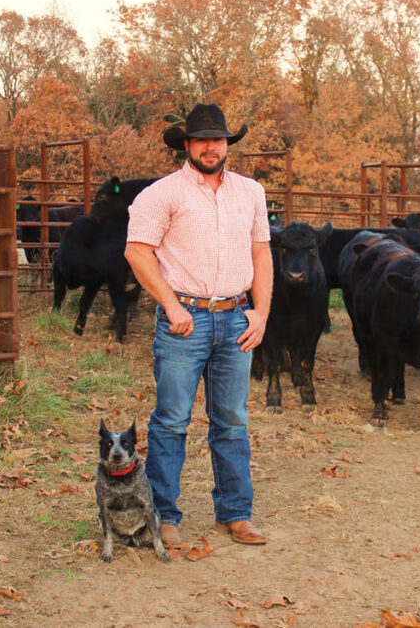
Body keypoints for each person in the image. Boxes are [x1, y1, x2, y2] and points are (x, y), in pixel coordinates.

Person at [124, 103, 273, 546]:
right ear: (187, 144)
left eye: (219, 139)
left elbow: (261, 253)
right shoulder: (161, 194)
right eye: (203, 139)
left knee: (231, 419)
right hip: (185, 319)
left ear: (228, 144)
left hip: (236, 317)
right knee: (171, 419)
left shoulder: (250, 192)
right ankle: (164, 516)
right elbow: (137, 252)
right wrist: (171, 306)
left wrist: (262, 313)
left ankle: (235, 513)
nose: (212, 147)